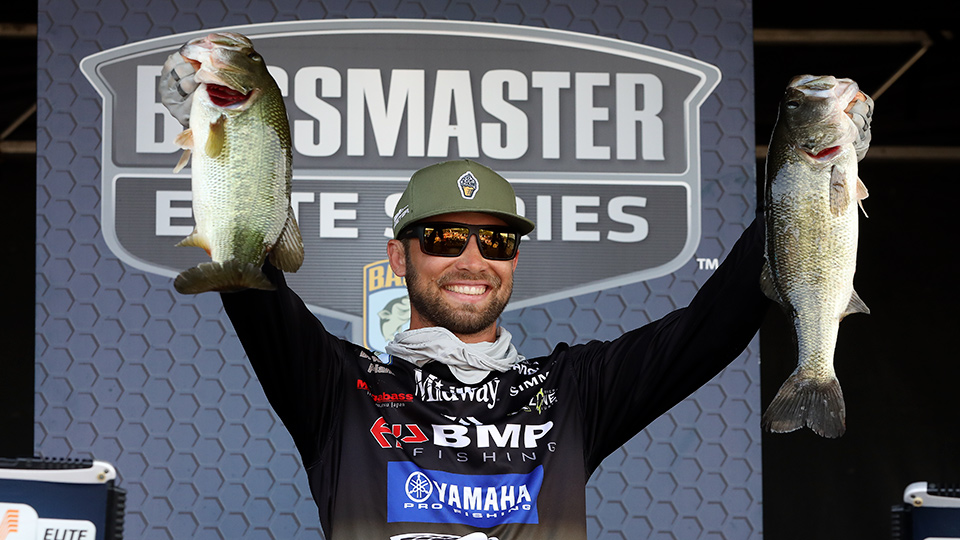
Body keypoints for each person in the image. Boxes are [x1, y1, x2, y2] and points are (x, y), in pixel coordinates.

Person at [160, 50, 872, 540]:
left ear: (514, 262)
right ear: (398, 256)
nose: (472, 259)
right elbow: (249, 272)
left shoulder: (572, 391)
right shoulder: (338, 389)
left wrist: (809, 178)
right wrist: (217, 121)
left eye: (496, 241)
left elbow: (713, 324)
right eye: (445, 238)